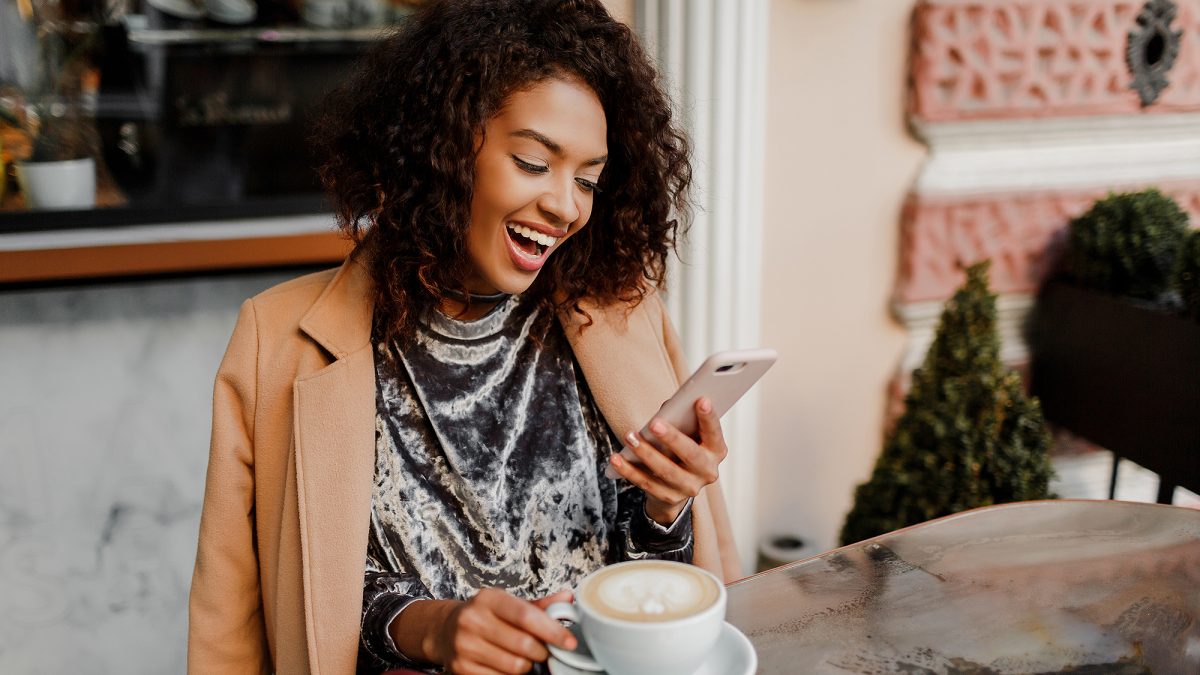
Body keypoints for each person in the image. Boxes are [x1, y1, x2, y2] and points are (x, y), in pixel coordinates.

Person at [188, 1, 739, 673]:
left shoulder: (625, 314)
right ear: (440, 148)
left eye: (588, 178)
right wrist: (435, 627)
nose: (567, 205)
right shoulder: (274, 342)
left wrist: (663, 506)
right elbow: (242, 625)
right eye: (535, 162)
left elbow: (656, 600)